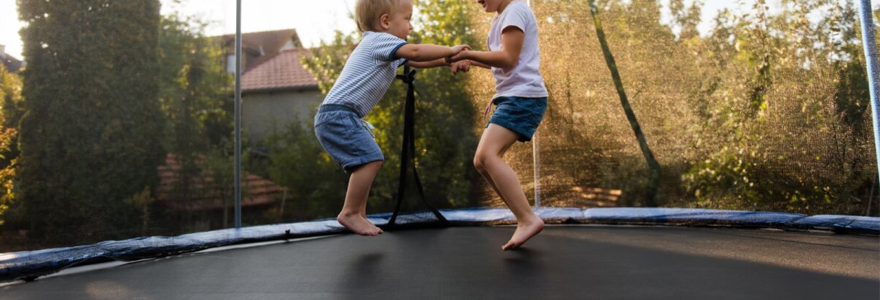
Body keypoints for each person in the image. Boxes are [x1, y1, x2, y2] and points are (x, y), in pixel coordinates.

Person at [314, 0, 470, 236]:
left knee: (366, 161)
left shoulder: (382, 46)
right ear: (385, 22)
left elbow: (415, 60)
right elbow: (416, 51)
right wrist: (451, 50)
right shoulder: (378, 40)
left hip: (340, 116)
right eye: (407, 19)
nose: (411, 26)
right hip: (339, 115)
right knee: (371, 159)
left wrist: (446, 62)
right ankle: (350, 212)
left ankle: (358, 213)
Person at [448, 0, 548, 250]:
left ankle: (527, 219)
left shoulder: (515, 10)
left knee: (488, 156)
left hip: (524, 98)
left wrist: (468, 53)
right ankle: (524, 218)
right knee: (481, 161)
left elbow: (508, 58)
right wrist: (472, 62)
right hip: (513, 97)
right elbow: (500, 60)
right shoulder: (503, 15)